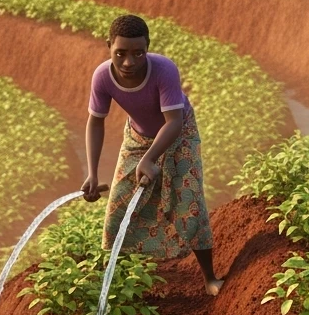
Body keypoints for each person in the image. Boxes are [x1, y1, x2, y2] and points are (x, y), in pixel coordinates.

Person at [81, 15, 222, 296]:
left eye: (138, 53)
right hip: (138, 137)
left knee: (189, 200)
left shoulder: (163, 70)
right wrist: (92, 174)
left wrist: (149, 159)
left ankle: (210, 278)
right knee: (118, 207)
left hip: (180, 133)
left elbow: (174, 122)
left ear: (147, 48)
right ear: (109, 47)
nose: (128, 62)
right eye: (120, 53)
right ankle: (118, 285)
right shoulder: (102, 77)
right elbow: (95, 122)